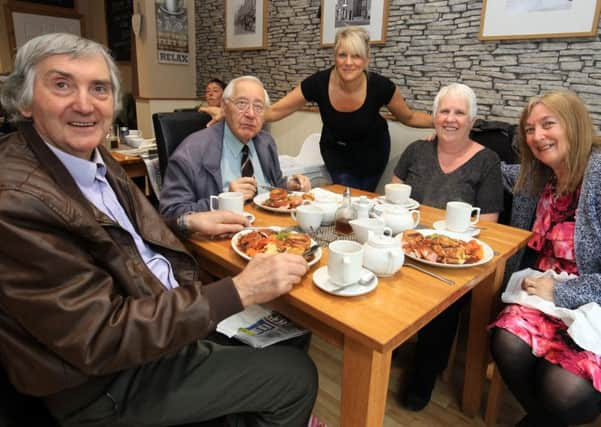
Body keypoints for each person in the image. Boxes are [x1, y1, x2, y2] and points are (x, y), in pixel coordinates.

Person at [0, 33, 318, 427]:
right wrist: (238, 291)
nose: (84, 103)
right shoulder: (16, 199)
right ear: (26, 100)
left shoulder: (92, 156)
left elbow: (126, 234)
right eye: (62, 84)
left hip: (157, 317)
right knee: (297, 376)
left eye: (98, 88)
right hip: (105, 384)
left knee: (291, 336)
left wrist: (186, 222)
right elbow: (99, 337)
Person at [201, 27, 433, 192]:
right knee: (343, 197)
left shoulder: (381, 86)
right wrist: (230, 112)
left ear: (366, 59)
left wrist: (439, 122)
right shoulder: (318, 83)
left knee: (360, 200)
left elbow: (409, 117)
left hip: (372, 154)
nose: (348, 62)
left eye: (356, 56)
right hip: (336, 153)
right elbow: (275, 111)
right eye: (342, 55)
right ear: (335, 56)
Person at [490, 90, 601, 427]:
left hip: (592, 299)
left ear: (573, 125)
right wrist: (453, 134)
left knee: (566, 391)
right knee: (506, 342)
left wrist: (562, 292)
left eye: (548, 124)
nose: (537, 136)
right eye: (529, 129)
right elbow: (495, 168)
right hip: (539, 292)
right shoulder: (537, 176)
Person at [392, 83, 503, 410]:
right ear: (434, 116)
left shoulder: (487, 161)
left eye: (459, 113)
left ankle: (424, 371)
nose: (450, 119)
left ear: (472, 120)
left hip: (455, 257)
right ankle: (390, 340)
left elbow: (490, 224)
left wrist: (447, 247)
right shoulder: (417, 150)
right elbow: (393, 197)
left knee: (445, 298)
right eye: (444, 111)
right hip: (408, 246)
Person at [160, 76, 311, 219]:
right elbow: (171, 212)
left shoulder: (266, 143)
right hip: (219, 238)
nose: (251, 114)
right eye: (241, 104)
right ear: (224, 107)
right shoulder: (191, 150)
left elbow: (273, 186)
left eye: (258, 107)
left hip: (268, 233)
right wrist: (225, 200)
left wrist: (290, 186)